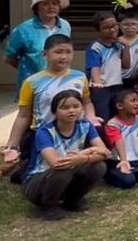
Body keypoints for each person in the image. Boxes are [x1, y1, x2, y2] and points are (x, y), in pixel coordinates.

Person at [3, 34, 97, 185]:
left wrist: (91, 117)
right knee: (41, 173)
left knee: (76, 169)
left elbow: (87, 102)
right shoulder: (32, 82)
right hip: (43, 135)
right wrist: (12, 146)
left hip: (74, 134)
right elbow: (23, 116)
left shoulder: (80, 77)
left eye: (68, 52)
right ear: (45, 54)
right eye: (58, 52)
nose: (64, 56)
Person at [20, 89, 110, 220]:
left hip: (68, 173)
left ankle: (72, 200)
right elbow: (56, 163)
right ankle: (49, 207)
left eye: (76, 106)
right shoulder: (44, 132)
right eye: (65, 107)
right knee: (64, 169)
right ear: (55, 112)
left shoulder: (86, 125)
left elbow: (104, 152)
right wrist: (87, 152)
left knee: (99, 166)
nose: (71, 111)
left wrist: (84, 158)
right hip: (38, 182)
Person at [6, 0, 71, 93]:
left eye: (55, 3)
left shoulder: (65, 26)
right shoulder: (23, 30)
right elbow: (9, 58)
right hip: (34, 84)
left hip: (60, 81)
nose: (51, 7)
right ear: (37, 8)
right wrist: (29, 69)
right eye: (45, 4)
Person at [86, 11, 129, 123]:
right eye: (106, 27)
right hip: (102, 88)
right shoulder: (96, 47)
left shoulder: (118, 45)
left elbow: (126, 65)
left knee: (116, 117)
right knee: (103, 117)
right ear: (98, 29)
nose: (112, 29)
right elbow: (94, 67)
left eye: (114, 25)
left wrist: (127, 46)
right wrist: (97, 84)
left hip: (117, 86)